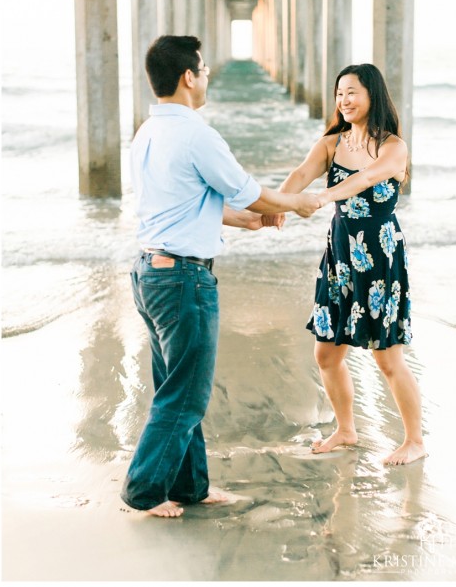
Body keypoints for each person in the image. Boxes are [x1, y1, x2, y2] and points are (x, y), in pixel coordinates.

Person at [121, 35, 320, 518]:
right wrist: (295, 203)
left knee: (177, 386)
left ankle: (190, 487)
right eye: (204, 68)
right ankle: (143, 492)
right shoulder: (195, 134)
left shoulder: (147, 132)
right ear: (188, 77)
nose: (207, 75)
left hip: (151, 272)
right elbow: (249, 191)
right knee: (186, 396)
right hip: (183, 281)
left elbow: (183, 201)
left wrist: (244, 219)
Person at [265, 64, 426, 466]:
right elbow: (300, 174)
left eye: (352, 92)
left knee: (387, 357)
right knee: (326, 353)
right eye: (339, 94)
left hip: (379, 259)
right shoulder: (331, 143)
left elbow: (363, 180)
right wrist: (271, 207)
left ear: (372, 94)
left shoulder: (393, 147)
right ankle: (346, 429)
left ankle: (415, 440)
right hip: (339, 258)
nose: (344, 101)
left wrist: (321, 198)